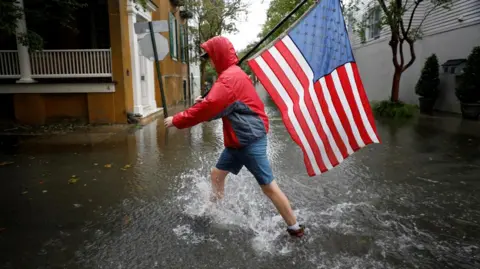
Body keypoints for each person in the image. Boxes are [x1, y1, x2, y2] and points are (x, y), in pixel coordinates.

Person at [164, 36, 305, 237]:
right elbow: (221, 104)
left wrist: (177, 120)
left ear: (219, 55)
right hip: (237, 141)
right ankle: (216, 211)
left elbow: (212, 108)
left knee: (268, 187)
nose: (210, 61)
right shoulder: (231, 75)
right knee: (217, 174)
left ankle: (295, 227)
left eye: (211, 56)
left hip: (248, 140)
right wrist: (203, 101)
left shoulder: (229, 79)